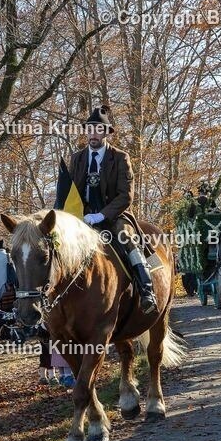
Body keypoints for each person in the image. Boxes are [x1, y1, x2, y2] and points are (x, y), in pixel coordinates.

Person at [55, 105, 158, 313]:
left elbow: (126, 195)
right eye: (90, 129)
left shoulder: (120, 157)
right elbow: (70, 192)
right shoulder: (77, 158)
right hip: (81, 217)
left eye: (98, 130)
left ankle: (147, 291)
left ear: (106, 133)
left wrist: (101, 215)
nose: (93, 134)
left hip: (113, 215)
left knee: (126, 239)